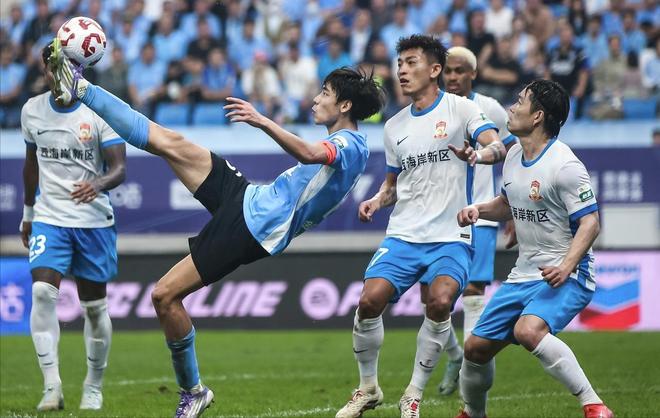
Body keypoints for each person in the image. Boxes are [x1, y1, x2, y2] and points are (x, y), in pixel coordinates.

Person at [49, 37, 385, 418]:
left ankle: (193, 391)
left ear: (345, 105)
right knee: (167, 140)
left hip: (252, 228)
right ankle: (82, 88)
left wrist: (262, 120)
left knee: (163, 296)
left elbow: (309, 153)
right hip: (248, 198)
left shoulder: (352, 145)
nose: (315, 98)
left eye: (324, 93)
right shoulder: (344, 141)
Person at [335, 34, 505, 418]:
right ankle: (367, 388)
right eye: (400, 64)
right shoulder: (394, 126)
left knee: (440, 302)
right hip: (404, 234)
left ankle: (413, 393)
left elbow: (497, 145)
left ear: (434, 69)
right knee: (369, 301)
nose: (402, 70)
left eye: (411, 62)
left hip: (450, 236)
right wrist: (377, 200)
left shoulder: (462, 109)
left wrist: (479, 155)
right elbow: (393, 184)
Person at [454, 80, 613, 418]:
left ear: (538, 116)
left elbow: (590, 223)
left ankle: (595, 405)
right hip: (523, 274)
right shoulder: (513, 155)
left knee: (527, 330)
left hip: (567, 273)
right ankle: (473, 414)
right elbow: (507, 203)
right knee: (475, 348)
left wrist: (566, 267)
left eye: (520, 101)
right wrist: (478, 210)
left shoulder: (565, 165)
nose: (511, 108)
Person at [20, 44, 126, 412]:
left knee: (94, 308)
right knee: (41, 293)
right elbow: (31, 165)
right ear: (44, 71)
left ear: (78, 71)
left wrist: (97, 184)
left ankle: (93, 386)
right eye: (51, 69)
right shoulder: (31, 110)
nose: (56, 75)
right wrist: (28, 213)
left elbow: (119, 168)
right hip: (50, 217)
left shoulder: (100, 111)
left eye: (63, 68)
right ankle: (52, 386)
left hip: (93, 221)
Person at [434, 46, 517, 397]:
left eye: (459, 71)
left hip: (480, 214)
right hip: (439, 216)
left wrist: (513, 206)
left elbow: (512, 152)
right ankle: (455, 355)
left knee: (472, 291)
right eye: (448, 71)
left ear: (473, 74)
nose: (452, 77)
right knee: (432, 300)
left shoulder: (489, 108)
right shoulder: (433, 107)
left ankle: (470, 370)